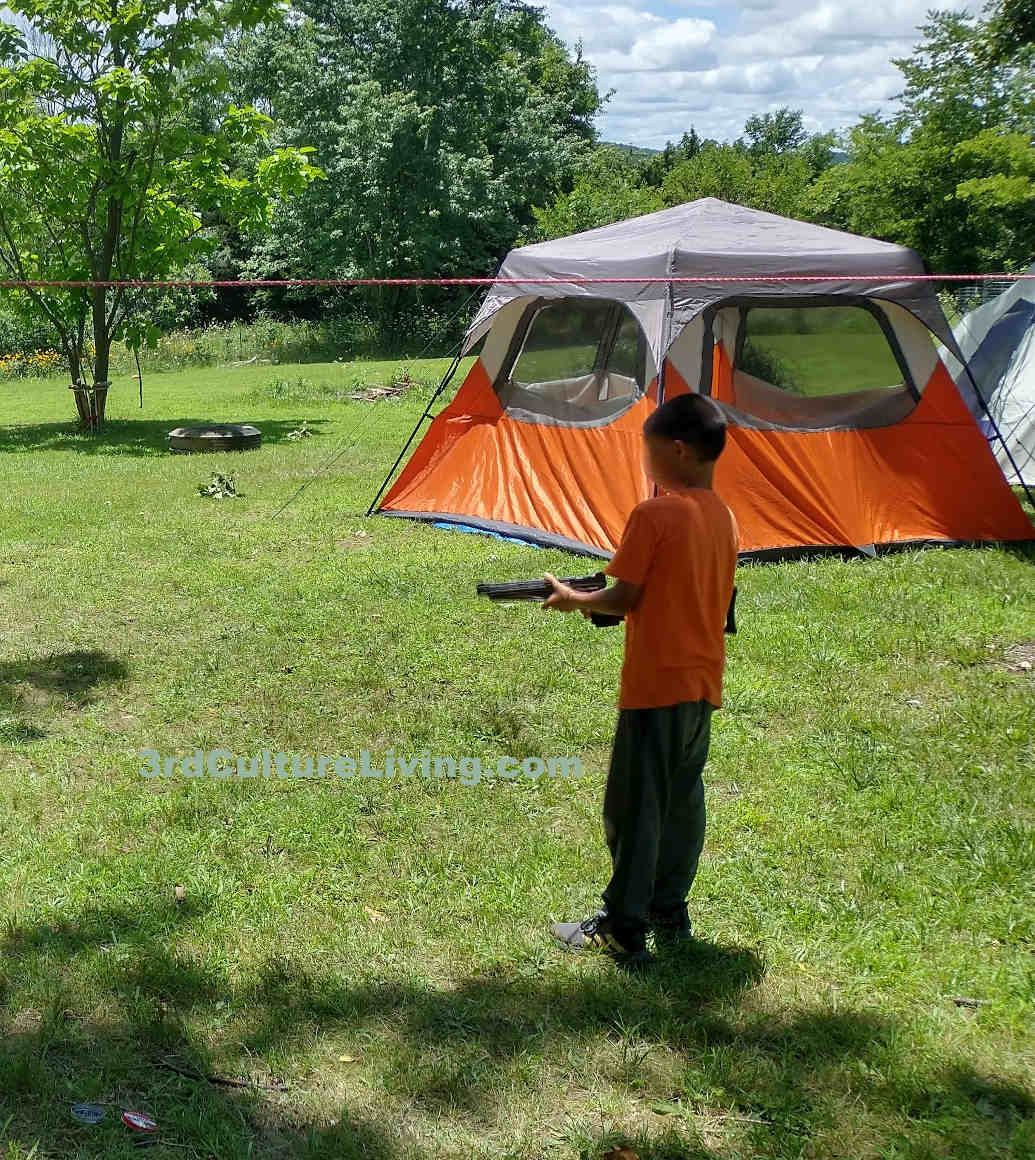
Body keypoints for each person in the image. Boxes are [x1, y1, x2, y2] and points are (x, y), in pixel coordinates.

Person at [541, 392, 738, 963]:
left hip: (655, 687)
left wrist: (573, 598)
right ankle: (668, 910)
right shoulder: (724, 517)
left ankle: (624, 927)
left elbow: (624, 596)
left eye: (648, 452)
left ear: (677, 451)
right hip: (701, 685)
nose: (646, 463)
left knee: (633, 808)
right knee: (680, 804)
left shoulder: (655, 514)